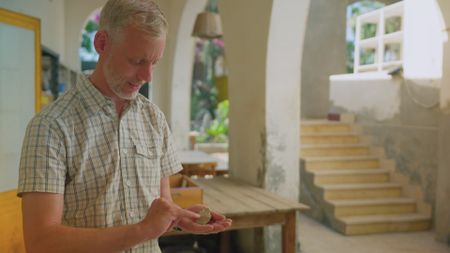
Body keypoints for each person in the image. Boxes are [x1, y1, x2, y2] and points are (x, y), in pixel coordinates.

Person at [17, 0, 232, 252]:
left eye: (154, 62)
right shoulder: (50, 127)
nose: (147, 76)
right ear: (101, 43)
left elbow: (160, 208)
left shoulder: (154, 119)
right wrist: (141, 231)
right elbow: (41, 242)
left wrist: (179, 217)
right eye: (137, 60)